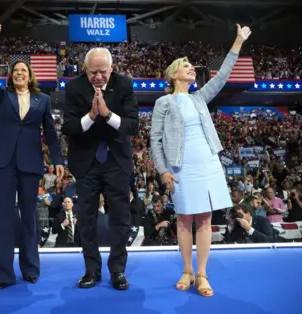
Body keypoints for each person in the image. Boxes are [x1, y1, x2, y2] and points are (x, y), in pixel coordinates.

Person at [150, 24, 252, 297]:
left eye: (193, 66)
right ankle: (186, 269)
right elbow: (154, 141)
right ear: (173, 74)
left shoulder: (200, 98)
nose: (192, 68)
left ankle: (202, 273)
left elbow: (223, 76)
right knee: (183, 220)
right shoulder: (164, 103)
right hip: (180, 167)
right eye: (187, 66)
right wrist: (163, 171)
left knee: (205, 220)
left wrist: (238, 42)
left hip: (207, 163)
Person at [0, 25, 64, 288]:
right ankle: (4, 274)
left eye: (23, 71)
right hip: (3, 162)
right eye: (15, 71)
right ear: (11, 77)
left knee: (29, 217)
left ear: (30, 75)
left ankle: (31, 268)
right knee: (4, 216)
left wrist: (58, 160)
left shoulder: (43, 100)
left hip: (30, 163)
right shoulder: (3, 96)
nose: (19, 74)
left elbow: (49, 132)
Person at [62, 47, 138, 290]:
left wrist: (108, 114)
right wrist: (91, 116)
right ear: (85, 69)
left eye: (103, 72)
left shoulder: (124, 85)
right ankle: (91, 271)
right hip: (86, 163)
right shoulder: (74, 88)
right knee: (86, 220)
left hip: (116, 162)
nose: (98, 77)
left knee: (120, 219)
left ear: (111, 69)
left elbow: (133, 125)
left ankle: (117, 270)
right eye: (93, 72)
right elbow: (69, 127)